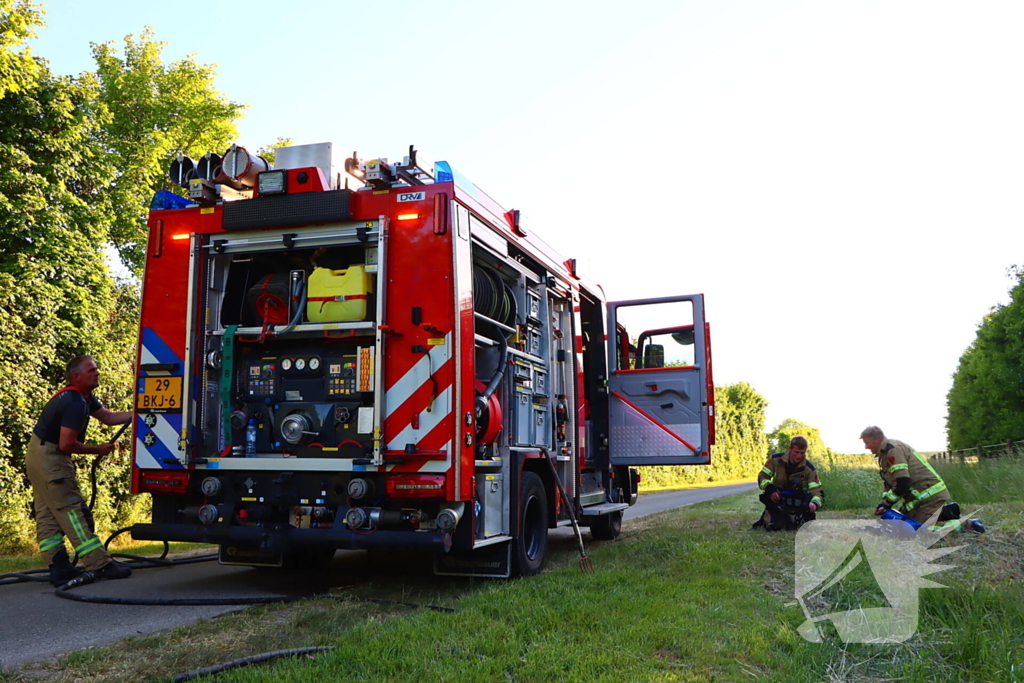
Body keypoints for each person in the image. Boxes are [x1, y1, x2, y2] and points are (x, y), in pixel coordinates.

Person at [26, 355, 135, 585]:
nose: (97, 373)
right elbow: (66, 444)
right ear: (76, 376)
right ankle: (100, 564)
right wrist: (98, 449)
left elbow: (108, 417)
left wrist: (141, 414)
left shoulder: (81, 397)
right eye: (91, 370)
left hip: (36, 454)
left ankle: (59, 567)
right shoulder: (75, 403)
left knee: (47, 513)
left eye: (96, 369)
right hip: (52, 457)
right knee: (71, 510)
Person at [860, 425, 984, 534]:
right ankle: (946, 512)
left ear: (877, 440)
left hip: (930, 497)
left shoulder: (893, 449)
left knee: (919, 531)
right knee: (904, 524)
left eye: (867, 443)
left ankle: (968, 524)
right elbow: (889, 483)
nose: (866, 447)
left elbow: (902, 482)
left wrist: (887, 504)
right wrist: (883, 504)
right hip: (918, 499)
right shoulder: (884, 455)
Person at [752, 435, 824, 530]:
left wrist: (814, 503)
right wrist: (769, 488)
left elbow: (817, 491)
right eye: (796, 452)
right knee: (773, 525)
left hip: (797, 505)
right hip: (777, 502)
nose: (799, 456)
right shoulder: (775, 460)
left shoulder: (809, 469)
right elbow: (762, 476)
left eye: (802, 453)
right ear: (790, 449)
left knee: (801, 528)